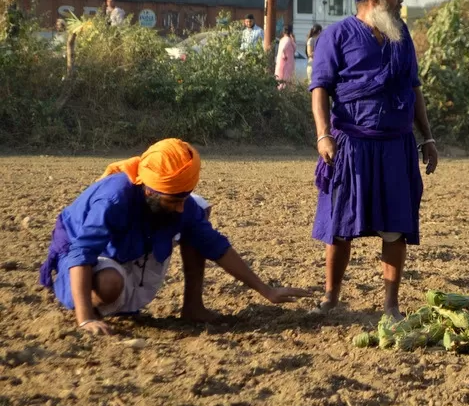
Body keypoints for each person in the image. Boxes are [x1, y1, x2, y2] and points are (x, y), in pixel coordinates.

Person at [38, 138, 311, 335]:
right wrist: (84, 319)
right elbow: (81, 252)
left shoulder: (175, 202)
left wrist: (267, 290)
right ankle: (92, 308)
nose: (180, 206)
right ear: (149, 190)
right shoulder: (114, 197)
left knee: (198, 214)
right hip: (88, 261)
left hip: (131, 249)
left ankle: (193, 307)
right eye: (173, 200)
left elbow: (215, 245)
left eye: (183, 197)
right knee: (110, 284)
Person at [308, 0, 438, 321]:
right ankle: (331, 298)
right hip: (351, 146)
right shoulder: (336, 36)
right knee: (339, 226)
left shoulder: (401, 35)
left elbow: (414, 89)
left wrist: (427, 138)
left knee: (396, 226)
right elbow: (319, 89)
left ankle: (391, 306)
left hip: (396, 146)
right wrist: (323, 135)